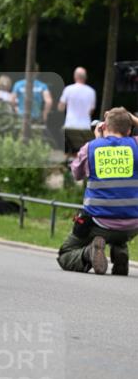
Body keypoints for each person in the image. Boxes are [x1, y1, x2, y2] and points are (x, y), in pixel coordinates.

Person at [57, 107, 137, 275]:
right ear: (129, 129)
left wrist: (97, 141)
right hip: (132, 224)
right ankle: (120, 252)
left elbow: (76, 174)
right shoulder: (135, 144)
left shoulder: (91, 147)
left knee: (65, 254)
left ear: (103, 127)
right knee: (118, 231)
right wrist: (131, 118)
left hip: (99, 222)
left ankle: (89, 253)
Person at [58, 67, 96, 155]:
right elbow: (91, 111)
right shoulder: (91, 91)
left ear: (75, 77)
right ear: (85, 77)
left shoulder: (68, 89)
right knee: (84, 152)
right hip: (85, 127)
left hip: (70, 126)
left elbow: (61, 107)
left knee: (69, 149)